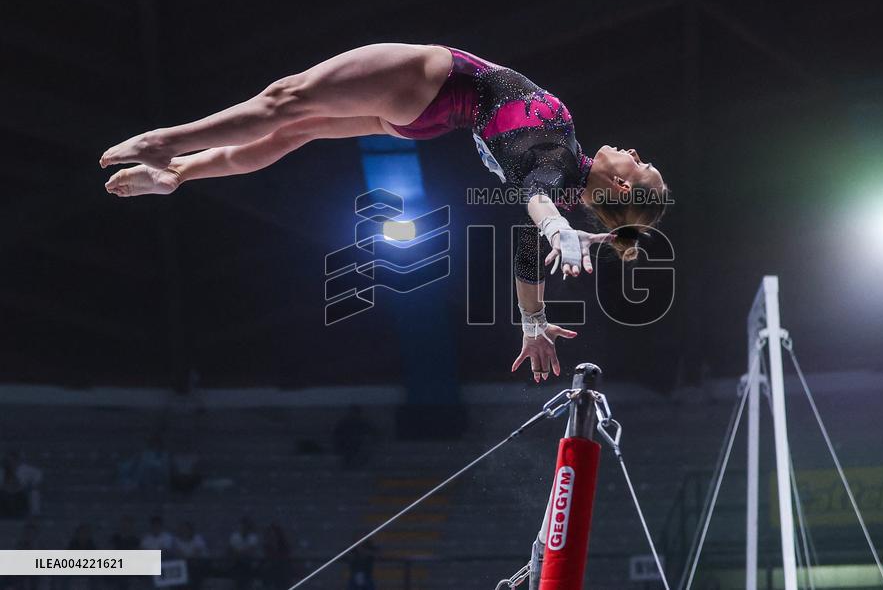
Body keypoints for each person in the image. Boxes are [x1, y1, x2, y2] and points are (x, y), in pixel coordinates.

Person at [100, 44, 669, 383]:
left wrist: (555, 228)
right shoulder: (563, 173)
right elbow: (528, 252)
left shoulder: (555, 142)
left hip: (431, 79)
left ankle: (165, 144)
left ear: (620, 181)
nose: (637, 152)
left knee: (284, 100)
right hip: (425, 122)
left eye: (641, 164)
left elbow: (535, 204)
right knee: (296, 131)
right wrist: (532, 320)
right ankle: (179, 175)